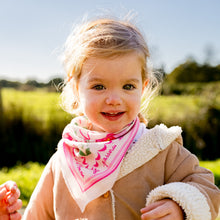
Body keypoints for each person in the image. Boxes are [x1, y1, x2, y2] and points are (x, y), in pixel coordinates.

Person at [2, 16, 220, 219]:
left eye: (128, 86)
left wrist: (180, 206)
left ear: (143, 87)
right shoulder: (62, 161)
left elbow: (208, 190)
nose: (114, 99)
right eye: (99, 86)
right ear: (76, 88)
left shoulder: (161, 149)